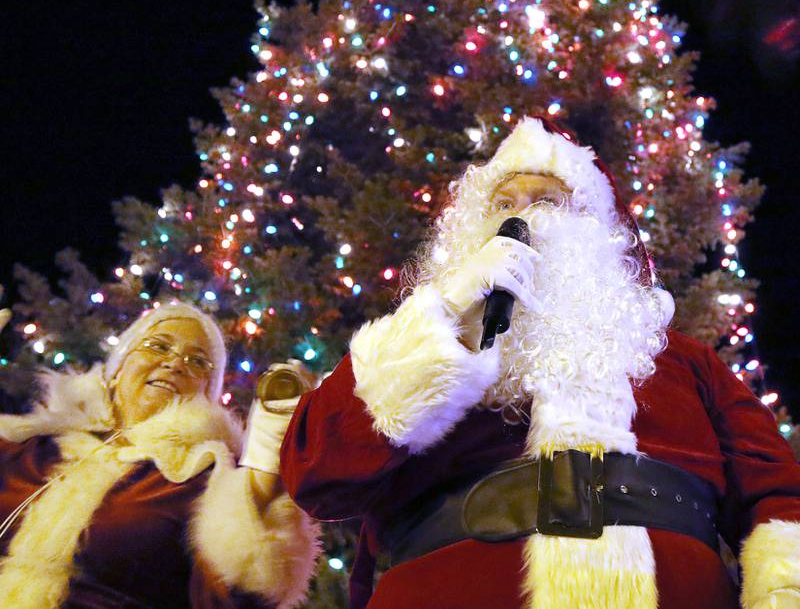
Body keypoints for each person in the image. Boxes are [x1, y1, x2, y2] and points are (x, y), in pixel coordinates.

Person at [280, 117, 800, 609]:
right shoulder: (408, 345)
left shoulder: (685, 362)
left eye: (546, 201)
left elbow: (777, 494)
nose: (519, 218)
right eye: (502, 202)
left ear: (593, 228)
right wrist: (445, 315)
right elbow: (315, 473)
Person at [0, 301, 320, 609]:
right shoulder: (38, 444)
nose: (175, 363)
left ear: (207, 395)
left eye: (197, 361)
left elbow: (241, 583)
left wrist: (271, 445)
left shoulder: (205, 478)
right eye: (158, 346)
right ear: (117, 369)